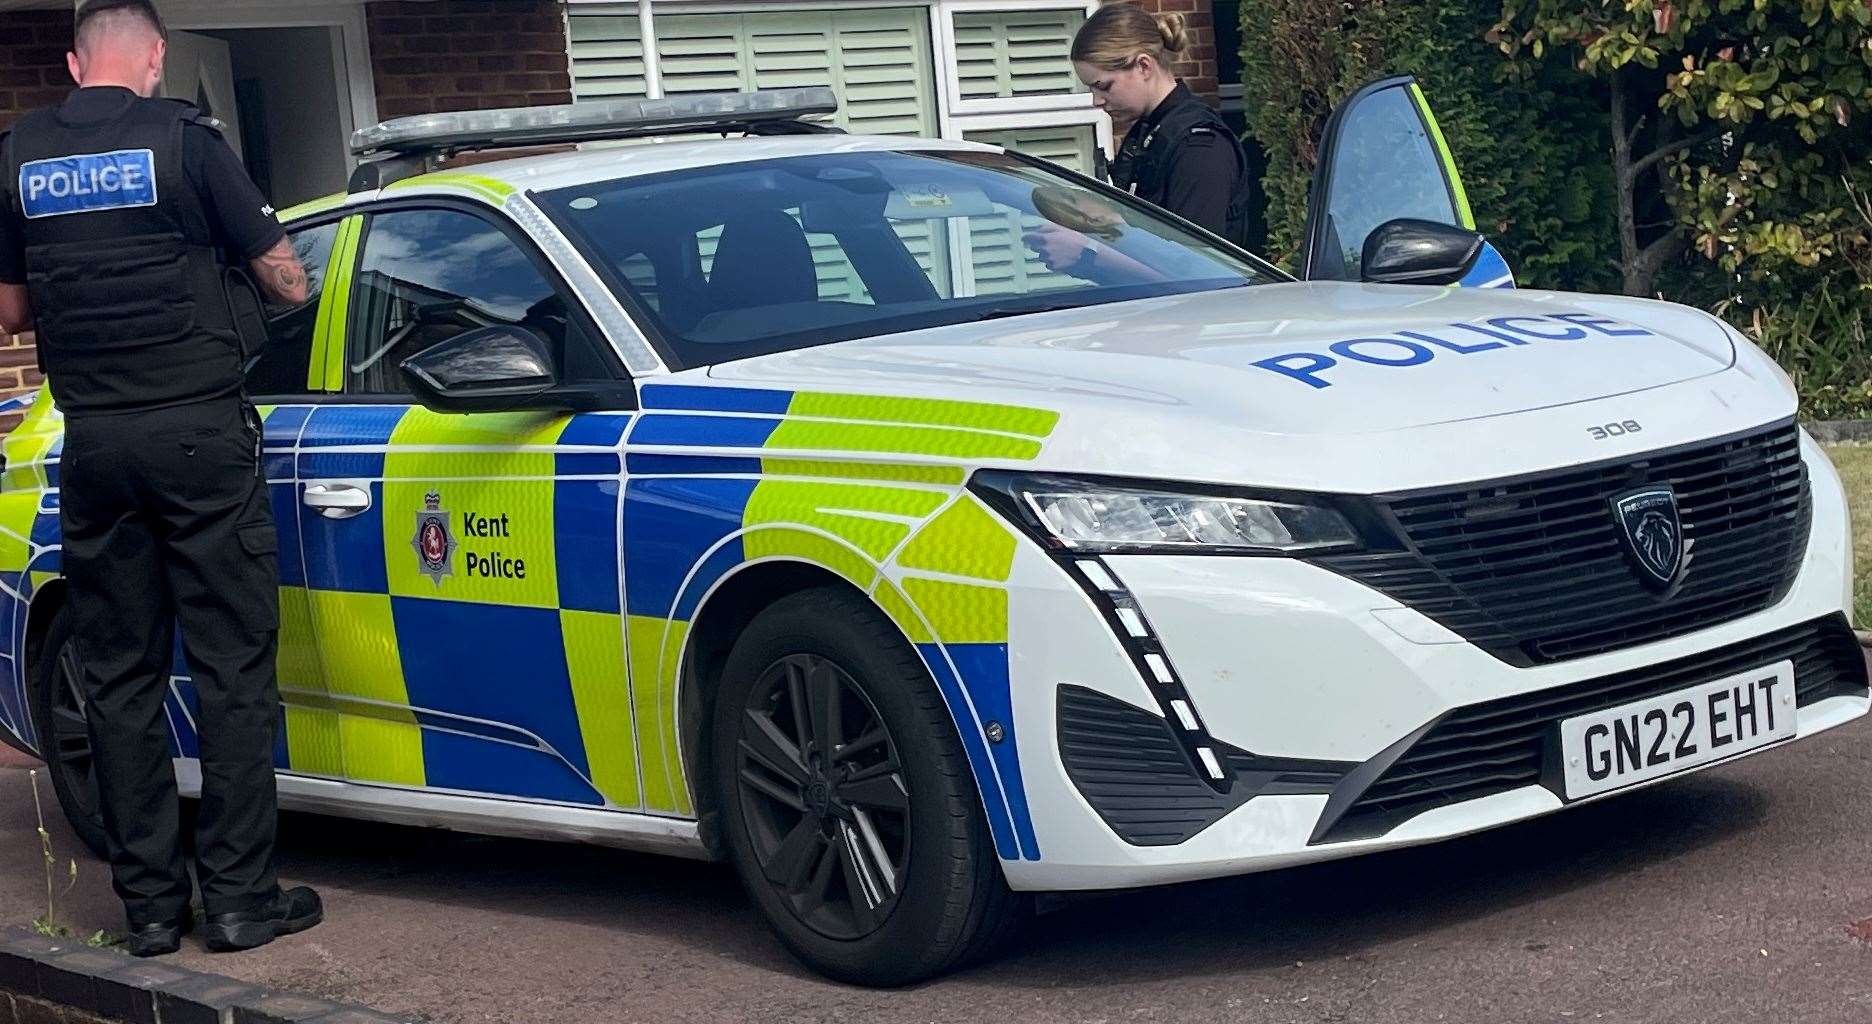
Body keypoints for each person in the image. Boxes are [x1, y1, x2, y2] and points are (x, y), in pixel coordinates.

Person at [0, 0, 320, 958]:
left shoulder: (18, 153)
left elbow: (12, 310)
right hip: (200, 437)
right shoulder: (185, 139)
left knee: (121, 674)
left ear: (71, 61)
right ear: (151, 59)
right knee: (229, 666)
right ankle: (237, 900)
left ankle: (146, 910)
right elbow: (289, 280)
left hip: (94, 440)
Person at [1075, 4, 1255, 241]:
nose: (1097, 101)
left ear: (1144, 66)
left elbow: (1193, 265)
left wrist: (1086, 257)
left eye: (1104, 86)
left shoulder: (1199, 147)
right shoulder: (1149, 133)